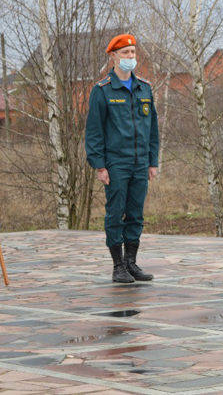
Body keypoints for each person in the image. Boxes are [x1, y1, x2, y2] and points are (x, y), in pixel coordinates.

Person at [85, 33, 159, 283]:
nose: (130, 56)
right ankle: (118, 266)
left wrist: (152, 161)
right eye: (125, 52)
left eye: (133, 52)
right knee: (116, 214)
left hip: (140, 163)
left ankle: (131, 263)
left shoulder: (144, 88)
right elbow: (94, 131)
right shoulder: (103, 90)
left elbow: (152, 128)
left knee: (136, 214)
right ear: (114, 56)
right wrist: (99, 165)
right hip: (116, 163)